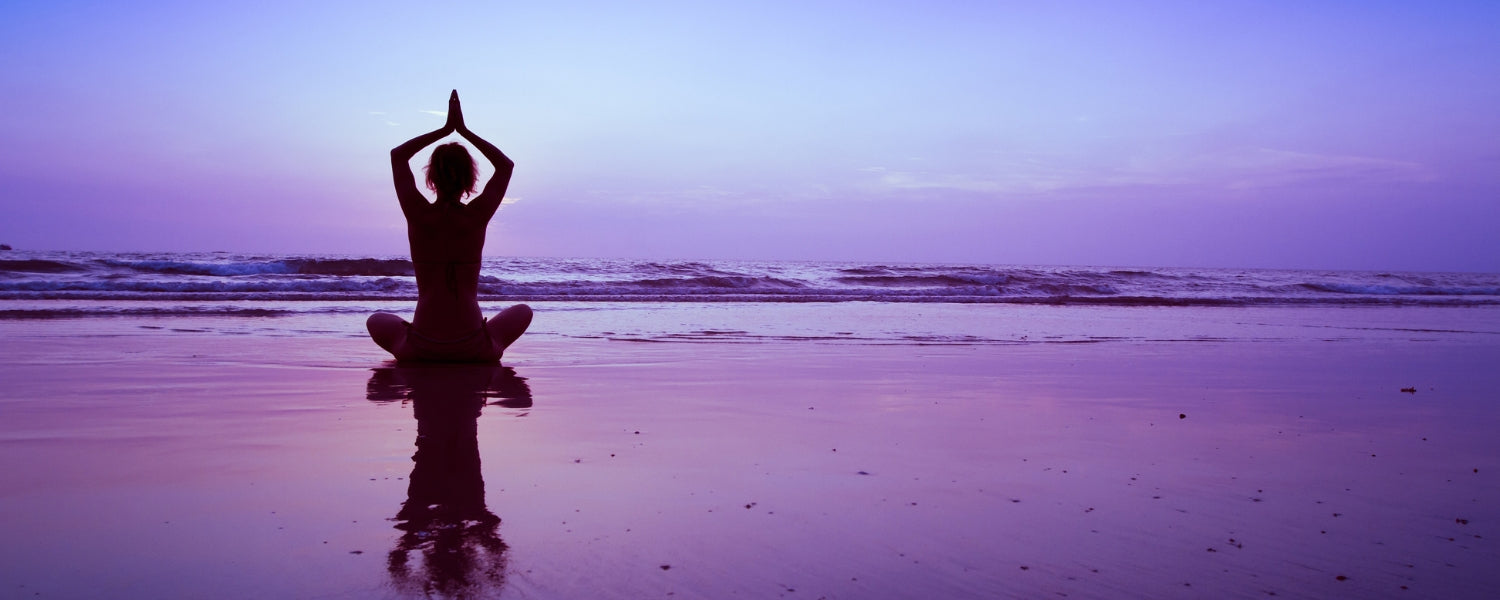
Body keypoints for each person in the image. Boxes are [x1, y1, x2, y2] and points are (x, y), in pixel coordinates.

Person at [367, 90, 532, 362]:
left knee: (376, 319)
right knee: (523, 310)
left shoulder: (418, 214)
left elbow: (398, 156)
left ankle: (418, 343)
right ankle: (486, 343)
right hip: (474, 348)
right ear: (470, 178)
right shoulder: (476, 216)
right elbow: (505, 166)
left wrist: (445, 130)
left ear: (431, 177)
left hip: (420, 348)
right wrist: (463, 131)